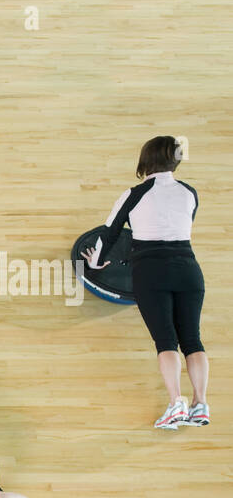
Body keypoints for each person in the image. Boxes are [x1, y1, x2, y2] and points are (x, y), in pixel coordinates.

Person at [82, 136, 207, 430]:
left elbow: (110, 232)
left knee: (166, 341)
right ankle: (200, 404)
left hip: (152, 272)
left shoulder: (135, 193)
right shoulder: (190, 193)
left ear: (145, 160)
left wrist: (95, 261)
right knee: (192, 340)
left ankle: (176, 403)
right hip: (189, 269)